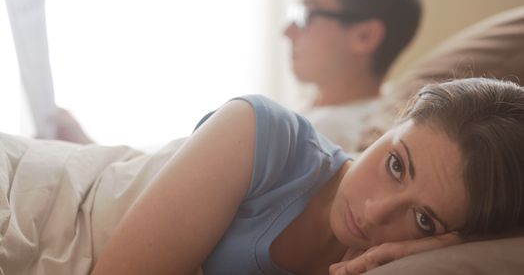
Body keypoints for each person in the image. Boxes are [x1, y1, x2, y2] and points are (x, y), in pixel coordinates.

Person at [2, 78, 523, 274]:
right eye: (394, 165)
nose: (373, 213)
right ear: (389, 128)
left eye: (425, 220)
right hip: (30, 205)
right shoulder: (262, 132)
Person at [284, 0, 422, 152]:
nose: (288, 32)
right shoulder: (317, 117)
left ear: (364, 36)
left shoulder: (324, 134)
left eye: (308, 15)